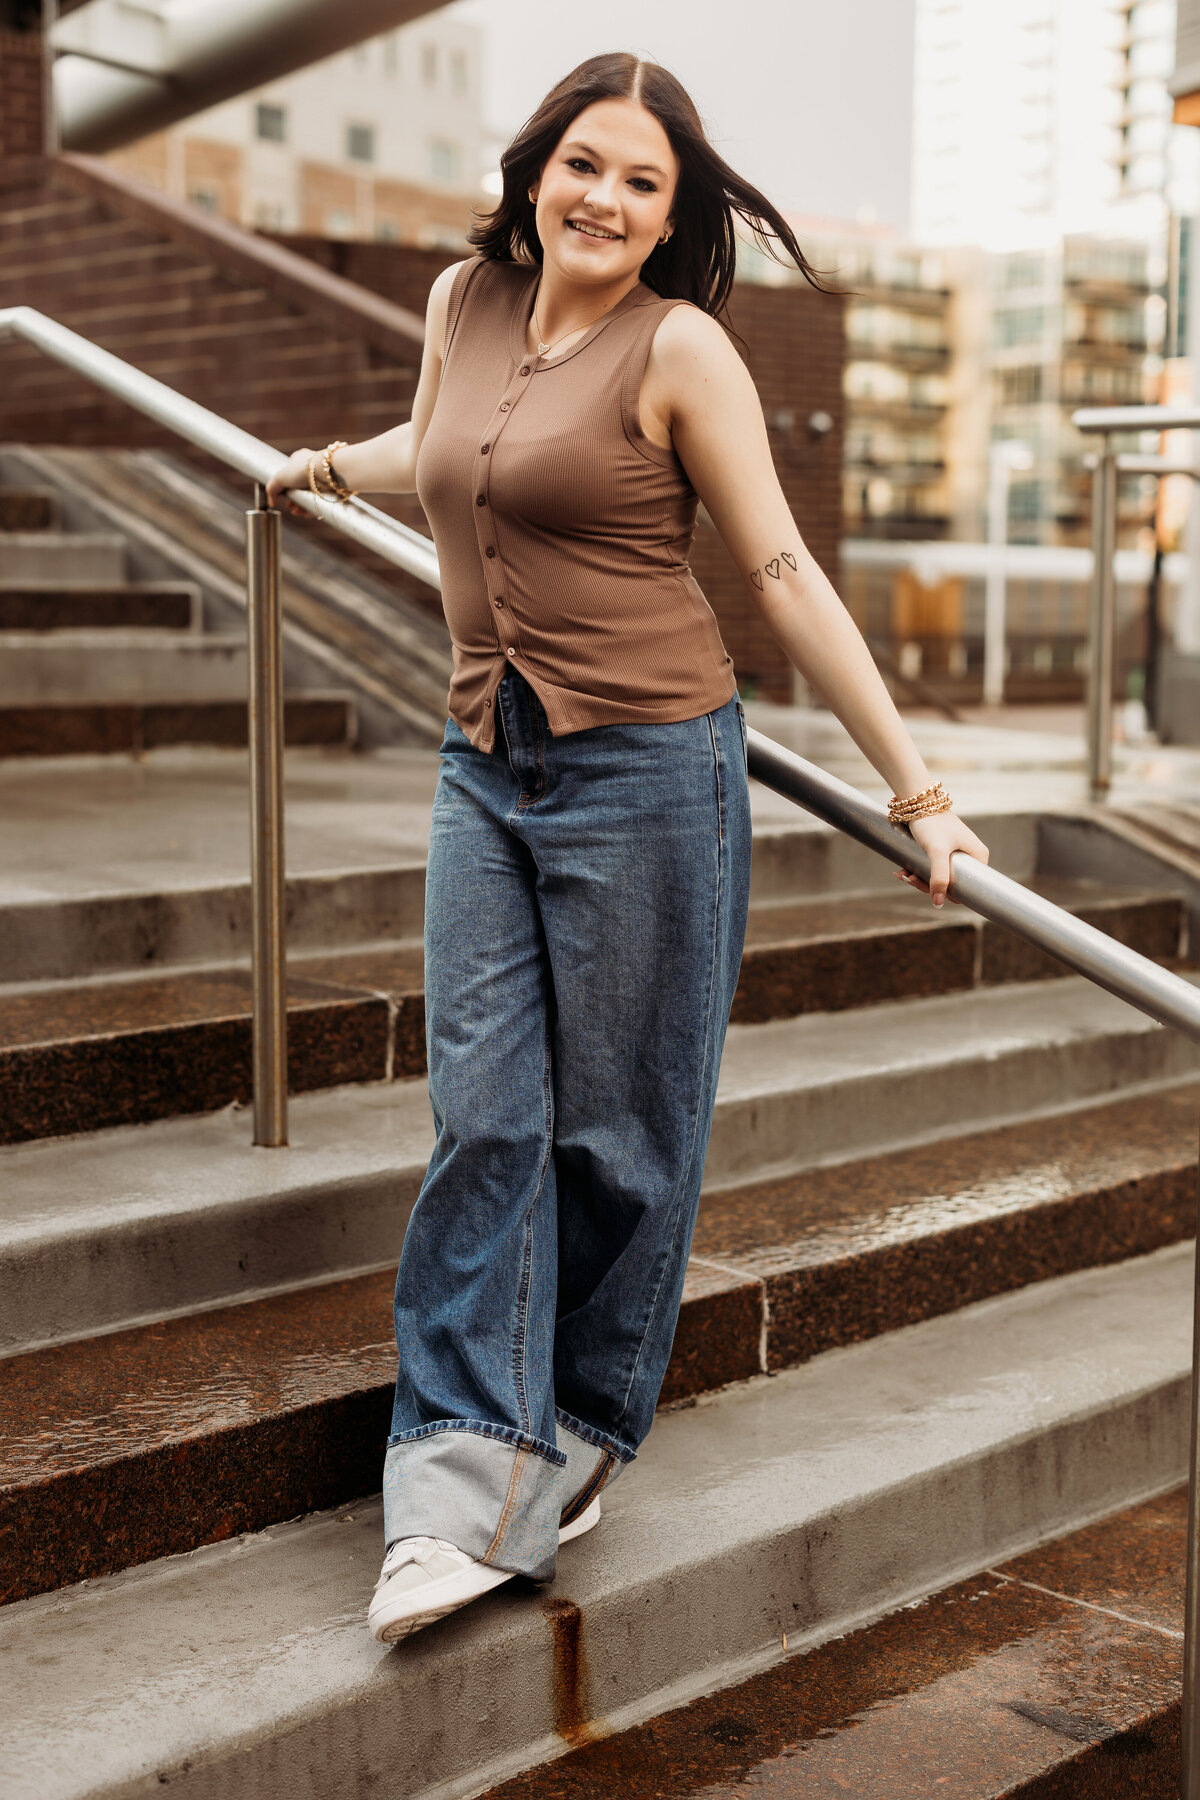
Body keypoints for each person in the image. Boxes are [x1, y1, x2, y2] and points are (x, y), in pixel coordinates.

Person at [266, 51, 990, 1647]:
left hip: (653, 772)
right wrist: (325, 465)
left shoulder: (684, 351)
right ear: (537, 168)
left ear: (675, 217)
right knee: (483, 1118)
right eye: (582, 164)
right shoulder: (466, 299)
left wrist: (918, 787)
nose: (602, 197)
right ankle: (457, 1481)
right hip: (486, 765)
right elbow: (446, 449)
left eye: (641, 182)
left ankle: (576, 1435)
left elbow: (784, 571)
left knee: (618, 1137)